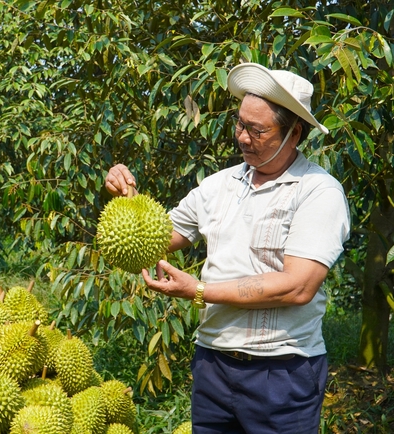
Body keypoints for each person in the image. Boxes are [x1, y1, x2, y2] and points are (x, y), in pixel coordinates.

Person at [104, 63, 350, 434]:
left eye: (257, 130)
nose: (243, 138)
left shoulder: (318, 192)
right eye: (240, 124)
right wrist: (128, 194)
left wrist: (199, 291)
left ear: (294, 133)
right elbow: (153, 239)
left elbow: (298, 286)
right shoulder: (219, 186)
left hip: (281, 372)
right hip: (213, 366)